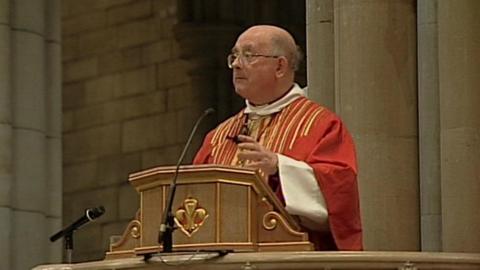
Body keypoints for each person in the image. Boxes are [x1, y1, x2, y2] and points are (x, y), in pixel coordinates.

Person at [193, 25, 362, 251]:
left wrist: (280, 167)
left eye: (248, 55)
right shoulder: (218, 136)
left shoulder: (320, 125)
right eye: (234, 55)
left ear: (280, 66)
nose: (236, 64)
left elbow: (340, 200)